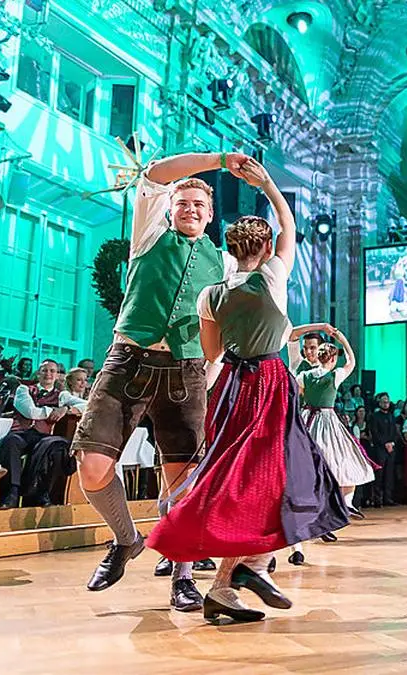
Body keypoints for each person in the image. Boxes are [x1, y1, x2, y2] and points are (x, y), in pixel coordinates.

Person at [146, 158, 350, 622]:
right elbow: (290, 225)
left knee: (239, 482)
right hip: (267, 384)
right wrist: (269, 184)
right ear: (264, 246)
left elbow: (213, 354)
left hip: (230, 385)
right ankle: (247, 570)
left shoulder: (210, 294)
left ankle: (232, 580)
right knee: (280, 480)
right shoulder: (273, 276)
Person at [69, 151, 253, 609]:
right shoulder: (148, 234)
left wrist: (210, 369)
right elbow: (152, 173)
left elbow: (223, 323)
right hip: (128, 361)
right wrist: (218, 160)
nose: (191, 209)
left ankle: (183, 577)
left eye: (200, 206)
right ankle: (126, 538)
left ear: (212, 217)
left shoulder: (225, 264)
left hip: (186, 371)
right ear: (169, 208)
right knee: (91, 465)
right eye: (184, 202)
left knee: (182, 481)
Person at [291, 329, 374, 519]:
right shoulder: (335, 375)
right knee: (345, 457)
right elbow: (352, 361)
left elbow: (299, 391)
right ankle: (346, 502)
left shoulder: (305, 375)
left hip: (307, 418)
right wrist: (342, 338)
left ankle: (321, 509)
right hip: (327, 420)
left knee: (312, 462)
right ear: (333, 359)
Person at [0, 359, 79, 509]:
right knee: (11, 442)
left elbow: (87, 405)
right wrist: (53, 411)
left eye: (52, 371)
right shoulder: (24, 389)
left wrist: (66, 409)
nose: (48, 374)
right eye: (44, 370)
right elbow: (30, 412)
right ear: (38, 373)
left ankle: (42, 492)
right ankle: (12, 492)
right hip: (22, 432)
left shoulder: (62, 395)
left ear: (58, 375)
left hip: (43, 436)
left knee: (57, 446)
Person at [367, 392, 401, 507]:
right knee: (379, 475)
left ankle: (388, 498)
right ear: (380, 403)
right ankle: (377, 499)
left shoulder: (392, 416)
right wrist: (385, 443)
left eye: (387, 401)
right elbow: (375, 433)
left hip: (391, 449)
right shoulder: (375, 416)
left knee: (389, 474)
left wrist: (392, 443)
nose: (386, 403)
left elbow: (395, 433)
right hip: (380, 449)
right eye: (384, 401)